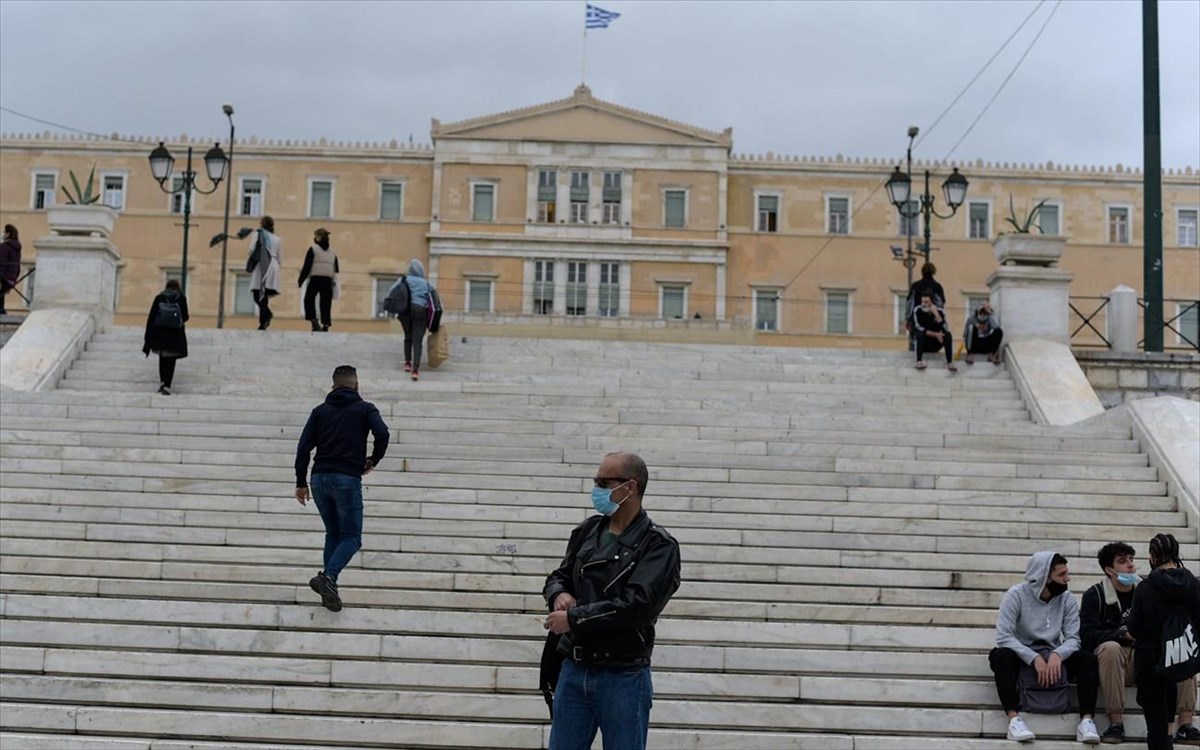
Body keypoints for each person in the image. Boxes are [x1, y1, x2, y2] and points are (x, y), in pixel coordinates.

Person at [542, 451, 681, 750]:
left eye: (603, 482)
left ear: (630, 487)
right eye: (596, 481)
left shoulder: (658, 545)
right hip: (574, 667)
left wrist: (574, 618)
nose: (596, 489)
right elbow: (558, 576)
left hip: (623, 674)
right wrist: (559, 594)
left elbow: (637, 606)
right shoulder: (588, 531)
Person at [1081, 542, 1199, 745]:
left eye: (1131, 560)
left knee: (1180, 646)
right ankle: (1116, 722)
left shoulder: (1148, 587)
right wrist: (1120, 634)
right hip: (1116, 661)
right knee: (1111, 648)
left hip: (1146, 657)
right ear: (1109, 569)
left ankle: (1186, 723)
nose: (1130, 565)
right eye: (1122, 561)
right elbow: (1087, 635)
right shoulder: (1095, 595)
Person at [294, 365, 389, 612]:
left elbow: (304, 447)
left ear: (333, 386)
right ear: (356, 385)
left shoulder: (320, 411)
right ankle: (329, 577)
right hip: (346, 478)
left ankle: (330, 588)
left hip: (318, 479)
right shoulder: (365, 409)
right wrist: (373, 460)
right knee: (352, 538)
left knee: (334, 535)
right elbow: (383, 433)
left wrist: (301, 482)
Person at [989, 550, 1101, 744]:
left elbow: (1074, 638)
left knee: (1087, 659)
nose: (1067, 579)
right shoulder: (1016, 595)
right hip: (1023, 654)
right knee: (1001, 656)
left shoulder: (1066, 598)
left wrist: (1058, 654)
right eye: (1061, 575)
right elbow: (1004, 636)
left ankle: (1086, 721)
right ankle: (1014, 719)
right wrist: (1033, 657)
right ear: (1045, 577)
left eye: (1066, 573)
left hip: (1053, 654)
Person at [1128, 534, 1200, 750]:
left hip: (1151, 660)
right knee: (1167, 715)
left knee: (1156, 726)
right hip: (1182, 656)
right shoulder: (1193, 584)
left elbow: (1135, 629)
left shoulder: (1146, 587)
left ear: (1153, 556)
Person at [141, 279, 189, 395]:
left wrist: (148, 337)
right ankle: (167, 385)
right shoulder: (181, 299)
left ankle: (162, 381)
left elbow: (151, 317)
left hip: (160, 333)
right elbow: (186, 317)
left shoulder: (159, 298)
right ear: (178, 287)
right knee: (171, 360)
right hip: (175, 334)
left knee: (162, 359)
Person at [395, 259, 430, 381]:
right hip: (420, 311)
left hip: (405, 311)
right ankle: (415, 370)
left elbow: (392, 292)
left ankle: (407, 363)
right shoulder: (425, 283)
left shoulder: (403, 280)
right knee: (418, 341)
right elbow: (433, 297)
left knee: (407, 337)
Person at [298, 227, 339, 332]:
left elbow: (307, 266)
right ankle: (325, 325)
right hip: (328, 280)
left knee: (308, 299)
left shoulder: (313, 249)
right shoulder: (333, 252)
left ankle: (314, 321)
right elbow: (336, 269)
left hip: (316, 279)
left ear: (318, 237)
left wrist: (301, 280)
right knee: (325, 303)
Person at [248, 215, 282, 330]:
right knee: (264, 293)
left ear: (262, 224)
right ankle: (264, 320)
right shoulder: (277, 239)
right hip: (273, 266)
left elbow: (251, 250)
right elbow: (279, 257)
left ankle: (265, 317)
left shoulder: (258, 234)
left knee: (258, 294)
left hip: (261, 265)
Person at [912, 292, 957, 371]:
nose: (923, 304)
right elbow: (918, 328)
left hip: (936, 343)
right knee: (919, 334)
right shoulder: (917, 310)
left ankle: (950, 362)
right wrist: (936, 334)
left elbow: (945, 328)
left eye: (926, 302)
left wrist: (936, 313)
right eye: (922, 302)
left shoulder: (940, 311)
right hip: (924, 343)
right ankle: (919, 361)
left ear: (932, 303)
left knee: (948, 335)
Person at [0, 224, 20, 314]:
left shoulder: (4, 246)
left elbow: (2, 263)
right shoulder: (17, 248)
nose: (3, 234)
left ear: (8, 234)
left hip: (4, 276)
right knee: (2, 292)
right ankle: (1, 309)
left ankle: (1, 309)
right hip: (12, 276)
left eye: (4, 232)